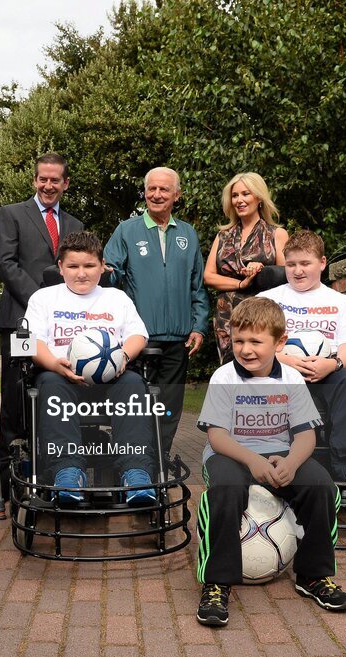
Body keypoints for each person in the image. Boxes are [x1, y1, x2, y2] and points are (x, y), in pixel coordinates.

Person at [195, 297, 346, 627]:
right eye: (239, 341)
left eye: (256, 341)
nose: (246, 349)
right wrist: (252, 461)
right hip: (231, 454)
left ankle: (312, 576)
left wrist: (293, 464)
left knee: (321, 486)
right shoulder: (225, 377)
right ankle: (216, 582)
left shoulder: (291, 379)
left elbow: (306, 436)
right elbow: (217, 436)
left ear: (280, 342)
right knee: (224, 489)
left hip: (280, 454)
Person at [0, 153, 85, 510]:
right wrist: (43, 300)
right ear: (34, 180)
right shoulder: (11, 214)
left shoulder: (75, 223)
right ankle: (5, 485)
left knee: (56, 396)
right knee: (14, 402)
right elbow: (6, 264)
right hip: (20, 320)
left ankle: (55, 473)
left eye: (55, 180)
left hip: (61, 328)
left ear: (65, 183)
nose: (48, 186)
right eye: (43, 179)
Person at [25, 231, 157, 504]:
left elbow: (137, 335)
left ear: (102, 266)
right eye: (73, 266)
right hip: (61, 378)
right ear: (60, 267)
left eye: (89, 266)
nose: (81, 273)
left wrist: (124, 357)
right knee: (49, 382)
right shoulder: (44, 298)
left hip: (112, 381)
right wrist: (55, 364)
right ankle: (68, 473)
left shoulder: (116, 298)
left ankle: (136, 474)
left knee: (133, 383)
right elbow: (33, 343)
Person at [258, 229, 346, 501]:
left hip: (328, 377)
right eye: (291, 265)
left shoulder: (341, 303)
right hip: (282, 376)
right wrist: (284, 360)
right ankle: (275, 469)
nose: (298, 271)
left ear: (322, 263)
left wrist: (331, 364)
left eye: (305, 264)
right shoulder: (268, 300)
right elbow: (252, 346)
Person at [104, 167, 209, 455]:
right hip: (138, 337)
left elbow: (197, 285)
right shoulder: (126, 230)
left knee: (168, 407)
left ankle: (158, 463)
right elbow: (110, 278)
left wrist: (199, 326)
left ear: (177, 195)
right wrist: (103, 273)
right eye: (151, 189)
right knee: (134, 405)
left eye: (164, 189)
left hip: (178, 338)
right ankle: (133, 461)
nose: (156, 194)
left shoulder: (188, 233)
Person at [203, 172, 289, 361]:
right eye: (235, 196)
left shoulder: (277, 234)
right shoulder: (223, 236)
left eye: (245, 194)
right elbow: (208, 276)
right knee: (230, 370)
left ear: (259, 197)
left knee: (262, 368)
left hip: (263, 315)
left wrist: (262, 270)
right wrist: (240, 285)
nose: (239, 200)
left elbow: (287, 277)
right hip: (227, 316)